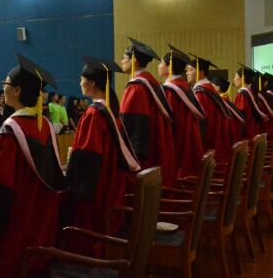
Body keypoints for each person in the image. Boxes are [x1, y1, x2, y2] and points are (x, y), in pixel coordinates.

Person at [0, 54, 64, 278]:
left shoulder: (11, 131)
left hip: (18, 224)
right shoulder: (45, 127)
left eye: (5, 83)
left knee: (8, 270)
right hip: (42, 222)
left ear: (16, 91)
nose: (2, 88)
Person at [65, 57, 140, 249]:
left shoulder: (94, 114)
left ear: (91, 83)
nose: (79, 83)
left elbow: (88, 157)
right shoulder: (110, 110)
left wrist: (72, 170)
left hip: (98, 190)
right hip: (112, 185)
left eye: (82, 79)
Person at [119, 37, 176, 186]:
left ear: (134, 60)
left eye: (124, 57)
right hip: (154, 149)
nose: (121, 61)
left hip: (141, 160)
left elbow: (129, 127)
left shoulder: (136, 88)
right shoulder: (153, 82)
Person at [159, 46, 205, 183]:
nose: (158, 66)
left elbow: (168, 124)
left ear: (169, 67)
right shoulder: (185, 86)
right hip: (189, 141)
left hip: (177, 142)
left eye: (161, 62)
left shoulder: (171, 90)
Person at [190, 56, 234, 164]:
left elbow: (201, 122)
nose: (187, 72)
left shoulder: (201, 92)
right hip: (216, 141)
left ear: (200, 72)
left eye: (190, 70)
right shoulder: (209, 88)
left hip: (208, 145)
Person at [234, 65, 267, 140]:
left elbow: (240, 117)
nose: (234, 79)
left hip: (246, 134)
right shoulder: (252, 92)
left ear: (242, 78)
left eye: (235, 76)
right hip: (254, 132)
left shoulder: (242, 95)